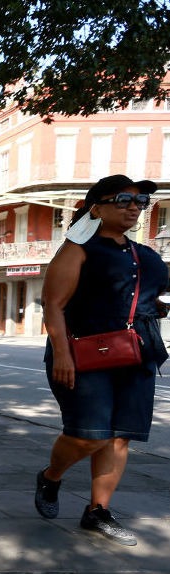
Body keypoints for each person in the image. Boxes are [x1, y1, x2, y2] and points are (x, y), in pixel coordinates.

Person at [35, 174, 167, 546]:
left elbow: (150, 295)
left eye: (139, 202)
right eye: (123, 199)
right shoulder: (78, 249)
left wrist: (154, 305)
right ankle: (51, 476)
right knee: (87, 436)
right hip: (83, 354)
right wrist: (61, 353)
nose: (132, 207)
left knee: (119, 438)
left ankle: (97, 511)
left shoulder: (147, 255)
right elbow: (53, 304)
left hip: (136, 353)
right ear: (96, 207)